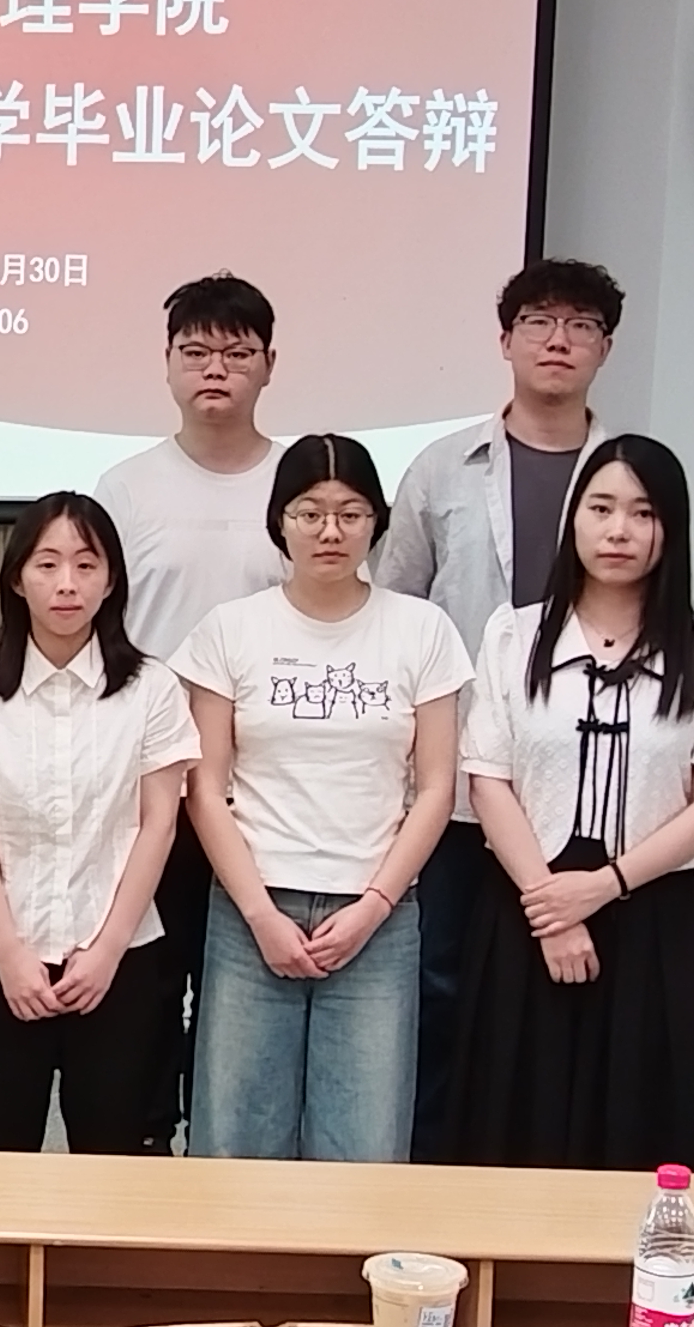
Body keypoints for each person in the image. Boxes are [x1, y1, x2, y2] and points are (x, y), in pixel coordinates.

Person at [450, 435, 694, 1170]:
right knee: (512, 1129)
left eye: (643, 513)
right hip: (527, 911)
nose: (619, 530)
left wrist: (603, 887)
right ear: (574, 520)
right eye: (601, 508)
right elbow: (488, 779)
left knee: (636, 1139)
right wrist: (553, 908)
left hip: (650, 921)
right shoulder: (515, 634)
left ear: (670, 528)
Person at [378, 257, 626, 1161]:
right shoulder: (442, 470)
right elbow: (394, 618)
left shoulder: (631, 473)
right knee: (442, 986)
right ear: (506, 340)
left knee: (573, 989)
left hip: (582, 787)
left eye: (581, 325)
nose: (559, 341)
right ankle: (434, 1173)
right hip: (452, 792)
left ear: (604, 348)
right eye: (539, 323)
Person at [171, 436, 470, 1163]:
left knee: (363, 1144)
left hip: (378, 914)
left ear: (376, 523)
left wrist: (374, 905)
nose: (330, 531)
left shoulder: (421, 629)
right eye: (310, 513)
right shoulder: (231, 629)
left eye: (350, 513)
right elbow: (205, 787)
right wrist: (259, 914)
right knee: (235, 1139)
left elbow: (437, 787)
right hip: (252, 910)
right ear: (280, 522)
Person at [0, 491, 199, 1155]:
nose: (66, 584)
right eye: (47, 564)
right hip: (2, 962)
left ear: (111, 581)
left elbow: (159, 825)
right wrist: (10, 952)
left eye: (86, 565)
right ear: (16, 579)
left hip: (123, 964)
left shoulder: (152, 689)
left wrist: (107, 949)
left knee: (112, 1166)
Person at [92, 272, 288, 1148]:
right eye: (197, 351)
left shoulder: (300, 483)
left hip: (272, 782)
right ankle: (144, 1140)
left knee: (244, 981)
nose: (216, 368)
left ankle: (230, 1145)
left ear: (269, 364)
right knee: (150, 972)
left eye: (237, 353)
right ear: (168, 363)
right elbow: (96, 627)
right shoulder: (128, 487)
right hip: (155, 780)